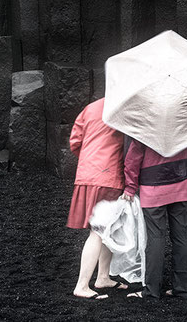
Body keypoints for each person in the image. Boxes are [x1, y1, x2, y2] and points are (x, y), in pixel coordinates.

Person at [68, 98, 128, 300]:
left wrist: (89, 160)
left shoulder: (90, 107)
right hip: (108, 176)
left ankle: (103, 277)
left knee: (106, 230)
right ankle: (82, 285)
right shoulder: (123, 108)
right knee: (99, 231)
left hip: (87, 173)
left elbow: (75, 141)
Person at [122, 140, 187, 299]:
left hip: (153, 185)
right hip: (182, 181)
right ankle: (182, 288)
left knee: (155, 237)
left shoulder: (144, 120)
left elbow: (133, 157)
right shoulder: (182, 117)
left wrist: (130, 186)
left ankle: (152, 290)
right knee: (183, 236)